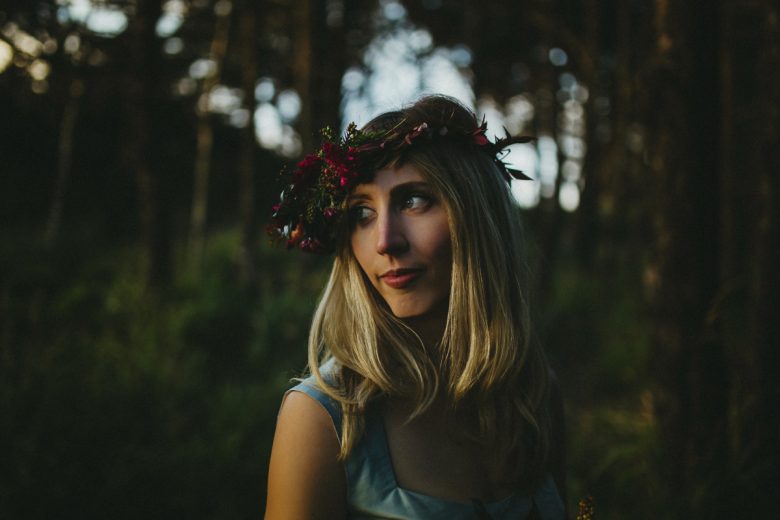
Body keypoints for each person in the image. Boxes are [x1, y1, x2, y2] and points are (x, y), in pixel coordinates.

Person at [265, 95, 566, 519]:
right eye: (363, 213)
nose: (386, 240)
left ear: (476, 216)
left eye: (413, 201)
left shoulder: (533, 394)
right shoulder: (323, 419)